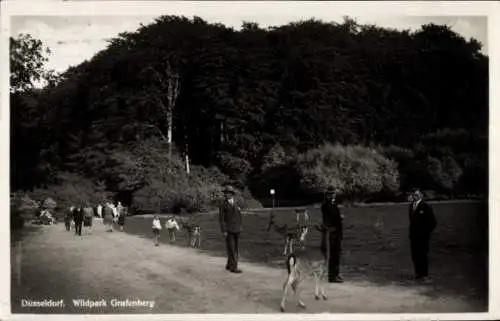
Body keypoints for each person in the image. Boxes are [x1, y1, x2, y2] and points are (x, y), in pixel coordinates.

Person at [408, 188, 437, 283]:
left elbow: (433, 222)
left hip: (423, 237)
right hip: (414, 236)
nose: (415, 196)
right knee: (415, 255)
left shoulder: (425, 206)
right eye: (413, 195)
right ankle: (418, 274)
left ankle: (424, 275)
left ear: (421, 195)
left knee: (423, 255)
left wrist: (425, 232)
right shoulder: (411, 206)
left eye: (416, 195)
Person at [320, 186, 344, 283]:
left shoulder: (333, 203)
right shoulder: (326, 204)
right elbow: (328, 218)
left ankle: (336, 274)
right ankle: (332, 276)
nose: (333, 195)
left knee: (337, 254)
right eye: (331, 193)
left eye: (334, 193)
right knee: (333, 254)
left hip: (337, 230)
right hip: (332, 231)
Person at [219, 185, 243, 273]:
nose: (225, 195)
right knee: (232, 248)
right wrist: (224, 230)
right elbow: (221, 219)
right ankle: (234, 267)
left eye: (227, 193)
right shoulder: (223, 205)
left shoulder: (237, 204)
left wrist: (240, 227)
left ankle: (229, 264)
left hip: (237, 229)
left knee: (234, 248)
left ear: (231, 194)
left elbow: (239, 216)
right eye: (224, 193)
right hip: (228, 230)